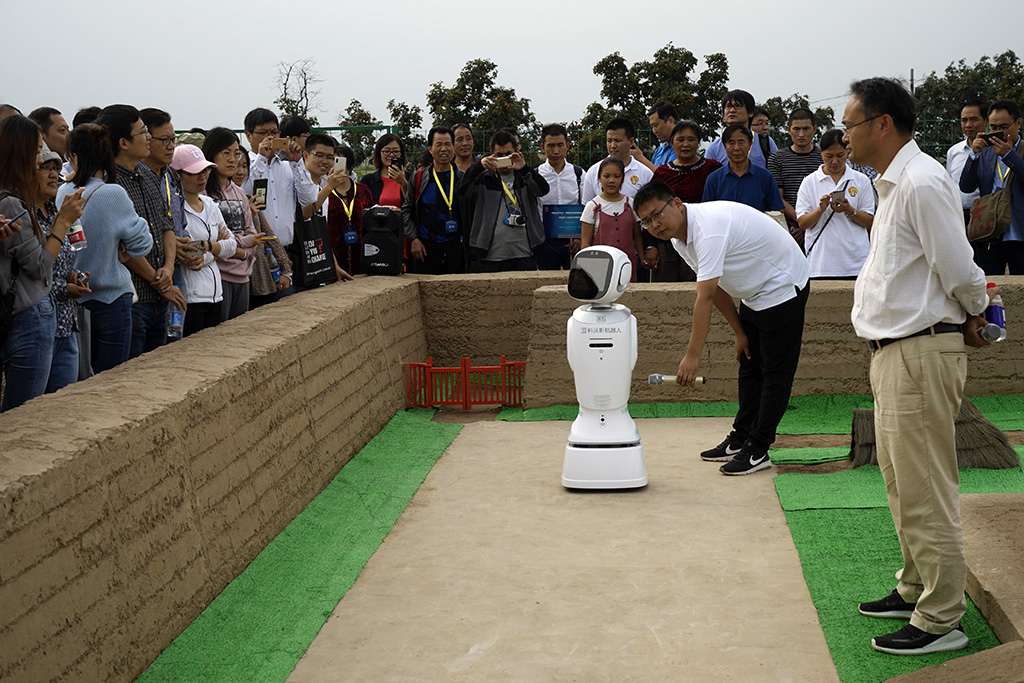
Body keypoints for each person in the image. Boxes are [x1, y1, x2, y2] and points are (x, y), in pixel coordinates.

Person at [843, 77, 993, 656]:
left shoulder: (923, 181)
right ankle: (915, 585)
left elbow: (958, 267)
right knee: (902, 482)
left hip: (920, 352)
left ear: (883, 124)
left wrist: (977, 311)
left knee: (926, 484)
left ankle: (941, 619)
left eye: (852, 123)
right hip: (894, 353)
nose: (846, 135)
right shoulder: (894, 185)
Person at [633, 180, 809, 476]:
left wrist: (692, 356)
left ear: (677, 203)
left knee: (775, 374)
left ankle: (759, 448)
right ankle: (741, 437)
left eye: (657, 214)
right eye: (646, 221)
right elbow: (717, 289)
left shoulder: (708, 229)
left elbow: (705, 296)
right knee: (750, 364)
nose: (654, 225)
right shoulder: (679, 240)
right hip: (753, 293)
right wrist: (739, 331)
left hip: (783, 286)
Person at [0, 115, 85, 411]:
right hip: (30, 314)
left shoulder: (19, 201)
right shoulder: (11, 203)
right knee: (26, 413)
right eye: (37, 152)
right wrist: (62, 222)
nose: (42, 161)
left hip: (38, 314)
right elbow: (39, 266)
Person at [58, 124, 153, 374]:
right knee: (112, 377)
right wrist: (122, 244)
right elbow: (142, 244)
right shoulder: (113, 192)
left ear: (74, 157)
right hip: (112, 298)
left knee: (78, 377)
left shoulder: (62, 194)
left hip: (73, 298)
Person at [96, 104, 182, 357]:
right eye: (143, 132)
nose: (148, 138)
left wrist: (168, 268)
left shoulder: (148, 175)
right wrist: (159, 281)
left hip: (160, 296)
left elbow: (166, 225)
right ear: (123, 142)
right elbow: (122, 246)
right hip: (133, 299)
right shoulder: (108, 183)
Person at [34, 144, 91, 393]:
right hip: (37, 328)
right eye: (44, 167)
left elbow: (59, 261)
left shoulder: (54, 211)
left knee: (64, 402)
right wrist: (62, 287)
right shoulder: (23, 214)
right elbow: (33, 272)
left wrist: (74, 278)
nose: (52, 174)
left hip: (66, 323)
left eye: (55, 168)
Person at [241, 107, 318, 288]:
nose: (270, 138)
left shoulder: (286, 166)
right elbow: (244, 192)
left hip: (286, 251)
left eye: (274, 132)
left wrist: (297, 162)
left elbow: (309, 198)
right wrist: (261, 158)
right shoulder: (244, 166)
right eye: (263, 133)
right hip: (256, 253)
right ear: (248, 136)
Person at [461, 130, 548, 272]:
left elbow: (543, 190)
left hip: (524, 253)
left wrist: (524, 168)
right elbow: (462, 190)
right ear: (491, 154)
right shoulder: (484, 178)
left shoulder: (525, 176)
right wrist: (478, 166)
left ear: (517, 151)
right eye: (499, 155)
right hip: (490, 256)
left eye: (508, 154)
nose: (504, 159)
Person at [172, 145, 236, 336]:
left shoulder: (210, 204)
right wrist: (217, 250)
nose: (203, 176)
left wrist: (207, 248)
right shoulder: (177, 209)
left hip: (216, 294)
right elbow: (190, 256)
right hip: (192, 296)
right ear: (178, 175)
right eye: (194, 172)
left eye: (205, 170)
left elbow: (232, 245)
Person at [647, 120, 722, 281]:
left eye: (691, 139)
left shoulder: (713, 169)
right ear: (672, 143)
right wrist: (650, 245)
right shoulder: (662, 173)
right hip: (666, 242)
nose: (686, 144)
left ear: (698, 143)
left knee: (699, 286)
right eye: (680, 140)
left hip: (702, 241)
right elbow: (650, 209)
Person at [795, 128, 875, 279]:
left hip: (856, 264)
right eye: (829, 156)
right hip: (820, 264)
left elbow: (870, 221)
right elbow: (803, 223)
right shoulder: (809, 182)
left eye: (840, 155)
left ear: (848, 152)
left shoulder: (861, 180)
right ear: (821, 152)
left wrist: (850, 210)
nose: (835, 161)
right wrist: (820, 209)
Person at [959, 99, 1024, 275]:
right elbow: (966, 186)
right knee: (990, 285)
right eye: (993, 127)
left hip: (1019, 232)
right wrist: (973, 155)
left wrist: (1009, 156)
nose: (997, 132)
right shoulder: (986, 152)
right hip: (990, 232)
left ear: (1018, 123)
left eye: (1003, 126)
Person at [203, 127, 262, 320]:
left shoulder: (239, 193)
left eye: (236, 153)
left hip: (243, 277)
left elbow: (251, 232)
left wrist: (241, 250)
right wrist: (245, 244)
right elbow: (212, 239)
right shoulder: (204, 195)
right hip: (218, 276)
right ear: (211, 154)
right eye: (225, 153)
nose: (232, 159)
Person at [402, 126, 465, 274]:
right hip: (425, 249)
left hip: (456, 248)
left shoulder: (462, 178)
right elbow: (406, 210)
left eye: (448, 144)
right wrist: (413, 239)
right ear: (430, 149)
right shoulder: (418, 178)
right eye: (438, 144)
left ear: (453, 147)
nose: (444, 149)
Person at [233, 147, 292, 307]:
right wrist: (249, 216)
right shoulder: (215, 200)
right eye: (235, 166)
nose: (240, 171)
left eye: (244, 166)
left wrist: (285, 269)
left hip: (260, 275)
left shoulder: (246, 198)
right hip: (237, 276)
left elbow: (268, 234)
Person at [298, 133, 354, 285]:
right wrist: (329, 187)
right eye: (319, 155)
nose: (325, 161)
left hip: (317, 267)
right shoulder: (299, 184)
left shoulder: (322, 188)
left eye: (330, 157)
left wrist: (333, 266)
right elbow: (305, 214)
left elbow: (322, 231)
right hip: (299, 266)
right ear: (305, 155)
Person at [580, 157, 646, 282]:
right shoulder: (592, 206)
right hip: (600, 266)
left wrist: (642, 258)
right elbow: (585, 243)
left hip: (627, 265)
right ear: (599, 178)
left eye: (616, 176)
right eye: (606, 176)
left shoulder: (631, 205)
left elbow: (637, 236)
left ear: (622, 179)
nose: (611, 180)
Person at [702, 124, 785, 213]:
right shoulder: (714, 179)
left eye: (741, 142)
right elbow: (707, 213)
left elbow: (777, 211)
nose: (736, 148)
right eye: (731, 143)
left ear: (750, 145)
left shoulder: (765, 177)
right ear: (725, 146)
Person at [536, 123, 585, 270]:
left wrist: (580, 236)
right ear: (542, 147)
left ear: (567, 146)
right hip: (545, 241)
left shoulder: (579, 174)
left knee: (576, 283)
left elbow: (586, 205)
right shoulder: (536, 175)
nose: (556, 151)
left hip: (574, 240)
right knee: (547, 284)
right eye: (551, 145)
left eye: (560, 145)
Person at [768, 108, 822, 238]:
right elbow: (778, 198)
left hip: (820, 224)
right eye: (796, 129)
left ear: (814, 129)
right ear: (788, 129)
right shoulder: (776, 159)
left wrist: (809, 221)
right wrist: (802, 220)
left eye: (806, 129)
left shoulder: (824, 157)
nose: (801, 134)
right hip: (788, 228)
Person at [580, 118, 653, 203]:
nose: (613, 145)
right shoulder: (593, 172)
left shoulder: (645, 174)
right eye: (609, 141)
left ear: (631, 141)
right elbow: (587, 206)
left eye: (617, 140)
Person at [326, 144, 373, 275]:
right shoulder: (324, 193)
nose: (336, 167)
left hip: (362, 255)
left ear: (349, 165)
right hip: (335, 256)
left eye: (341, 162)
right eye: (333, 161)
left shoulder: (363, 191)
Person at [705, 90, 778, 169]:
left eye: (737, 106)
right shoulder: (714, 148)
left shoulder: (766, 143)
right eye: (728, 106)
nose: (732, 110)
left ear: (750, 112)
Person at [945, 99, 987, 226]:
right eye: (964, 120)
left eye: (974, 119)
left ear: (986, 121)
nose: (968, 125)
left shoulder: (995, 150)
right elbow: (949, 184)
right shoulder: (954, 151)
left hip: (984, 215)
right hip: (957, 215)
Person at [360, 133, 408, 207]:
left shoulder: (411, 178)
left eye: (396, 151)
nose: (391, 155)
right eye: (386, 151)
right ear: (379, 154)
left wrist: (404, 184)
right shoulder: (368, 180)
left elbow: (415, 207)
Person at [636, 100, 678, 172]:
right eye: (652, 127)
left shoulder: (682, 149)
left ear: (670, 120)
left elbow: (670, 177)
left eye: (656, 125)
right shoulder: (660, 150)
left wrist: (641, 158)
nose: (654, 131)